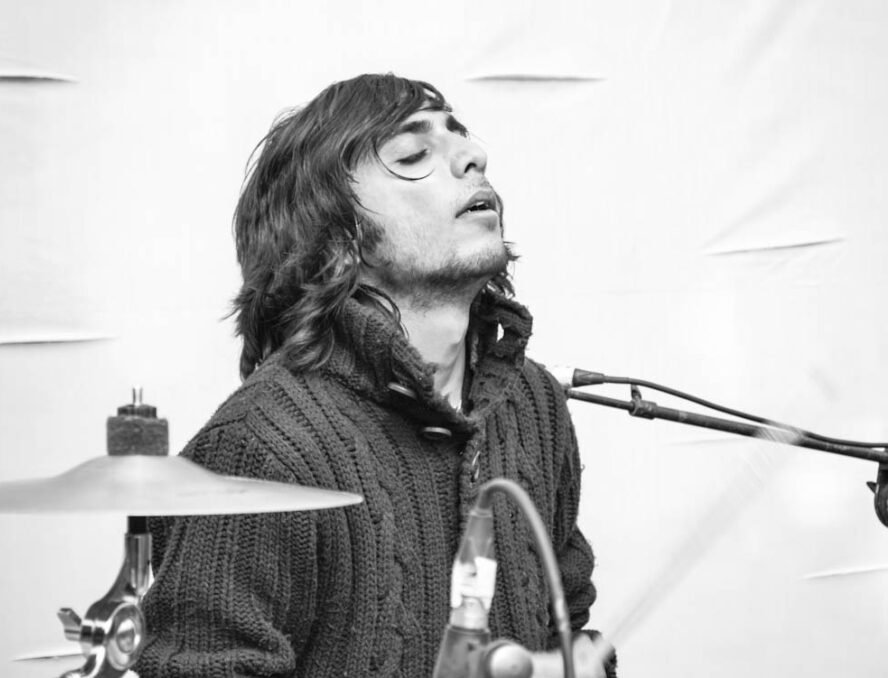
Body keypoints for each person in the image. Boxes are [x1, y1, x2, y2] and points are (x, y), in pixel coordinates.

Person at [135, 73, 615, 677]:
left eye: (461, 138)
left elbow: (567, 620)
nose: (474, 156)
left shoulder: (534, 403)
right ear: (338, 240)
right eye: (413, 155)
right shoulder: (259, 446)